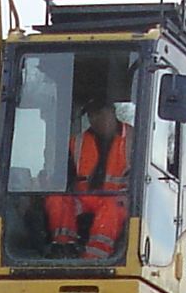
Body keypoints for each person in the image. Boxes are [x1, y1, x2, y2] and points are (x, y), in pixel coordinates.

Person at [43, 98, 131, 262]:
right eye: (91, 115)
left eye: (99, 113)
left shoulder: (135, 140)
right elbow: (63, 176)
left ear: (112, 113)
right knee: (57, 198)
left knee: (112, 206)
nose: (95, 119)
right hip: (84, 199)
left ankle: (94, 257)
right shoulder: (77, 143)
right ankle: (64, 249)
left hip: (120, 199)